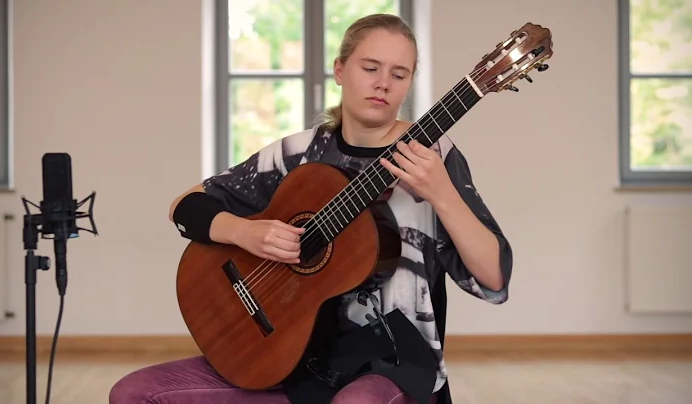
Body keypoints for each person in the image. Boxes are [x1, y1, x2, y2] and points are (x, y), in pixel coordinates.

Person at [109, 13, 512, 404]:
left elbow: (493, 278)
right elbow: (185, 206)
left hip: (391, 362)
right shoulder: (298, 154)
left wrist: (441, 193)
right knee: (132, 393)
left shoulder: (430, 157)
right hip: (287, 355)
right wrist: (245, 232)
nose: (383, 84)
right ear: (340, 69)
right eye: (370, 67)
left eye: (399, 74)